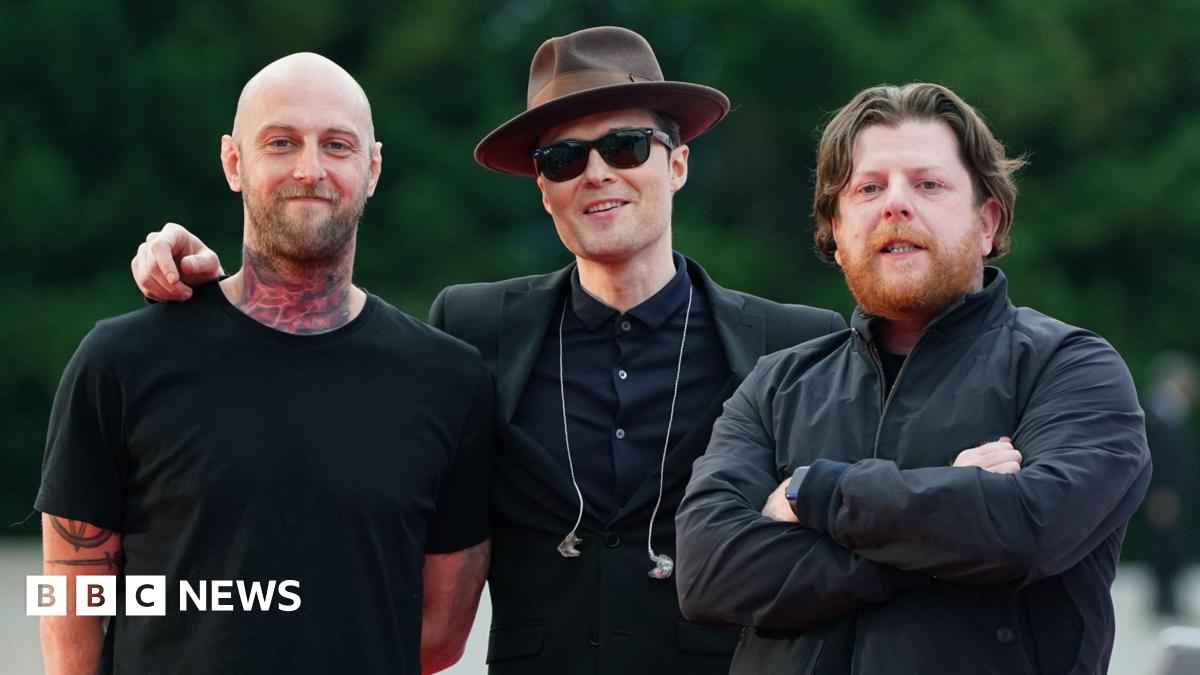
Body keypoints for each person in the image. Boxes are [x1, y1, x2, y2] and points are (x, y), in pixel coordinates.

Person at [127, 27, 844, 674]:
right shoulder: (472, 327)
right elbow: (332, 363)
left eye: (624, 147)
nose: (596, 173)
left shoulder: (793, 341)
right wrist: (206, 292)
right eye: (564, 158)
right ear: (543, 189)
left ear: (677, 165)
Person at [675, 82, 1152, 674]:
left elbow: (1030, 528)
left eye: (928, 184)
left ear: (987, 221)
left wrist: (814, 493)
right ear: (836, 234)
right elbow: (706, 574)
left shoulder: (1071, 369)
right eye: (869, 188)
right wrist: (943, 514)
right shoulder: (775, 388)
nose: (895, 205)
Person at [39, 53, 492, 674]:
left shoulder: (449, 381)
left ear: (373, 168)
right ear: (234, 161)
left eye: (337, 145)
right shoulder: (121, 361)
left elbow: (439, 633)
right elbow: (71, 607)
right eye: (281, 142)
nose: (310, 169)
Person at [1141, 351, 1198, 617]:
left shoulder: (1171, 411)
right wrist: (1159, 489)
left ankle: (1167, 599)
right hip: (1163, 491)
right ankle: (1163, 600)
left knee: (1171, 545)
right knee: (1165, 546)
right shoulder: (1156, 411)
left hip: (1172, 490)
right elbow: (1156, 454)